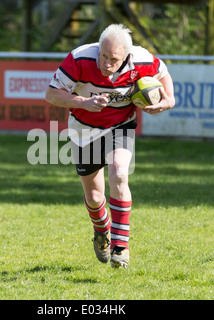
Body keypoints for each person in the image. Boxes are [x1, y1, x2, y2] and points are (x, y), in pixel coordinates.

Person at [45, 24, 175, 269]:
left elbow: (163, 71)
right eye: (103, 56)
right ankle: (101, 230)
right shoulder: (80, 58)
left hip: (121, 124)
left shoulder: (142, 60)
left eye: (113, 59)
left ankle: (121, 246)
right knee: (94, 198)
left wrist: (169, 99)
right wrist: (84, 101)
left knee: (118, 173)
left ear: (127, 55)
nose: (105, 63)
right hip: (84, 128)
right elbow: (51, 94)